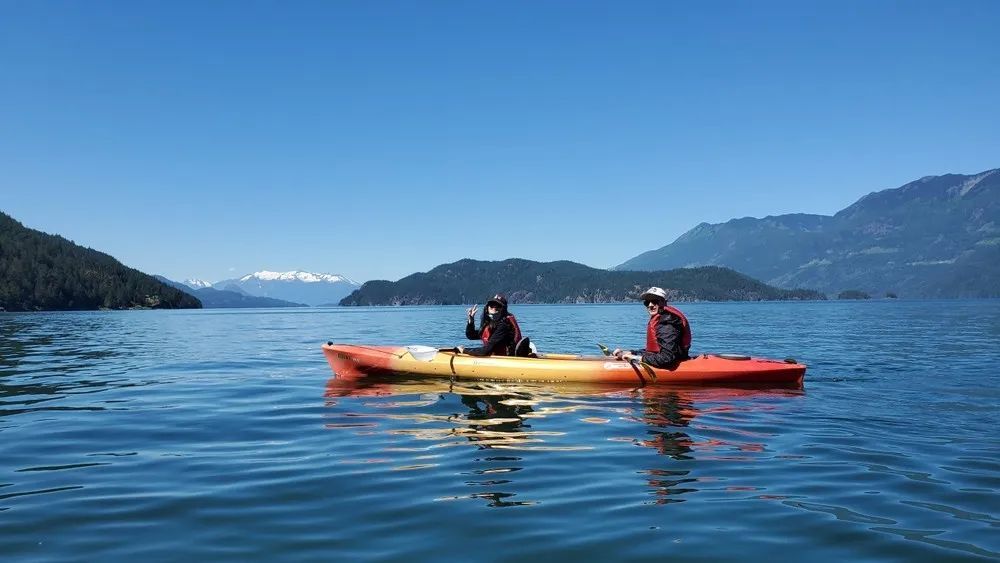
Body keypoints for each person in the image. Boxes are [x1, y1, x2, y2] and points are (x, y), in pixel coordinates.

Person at [612, 286, 691, 368]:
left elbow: (667, 358)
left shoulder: (667, 323)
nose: (650, 305)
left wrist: (638, 358)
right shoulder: (661, 319)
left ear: (664, 302)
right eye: (647, 302)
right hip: (665, 359)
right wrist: (630, 353)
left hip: (673, 364)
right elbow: (654, 351)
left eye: (654, 301)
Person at [458, 293, 523, 356]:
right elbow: (471, 336)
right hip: (496, 357)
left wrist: (464, 350)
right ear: (487, 308)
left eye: (498, 306)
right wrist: (471, 322)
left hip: (506, 359)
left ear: (503, 310)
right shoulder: (492, 325)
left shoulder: (504, 326)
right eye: (491, 305)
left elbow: (485, 351)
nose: (494, 309)